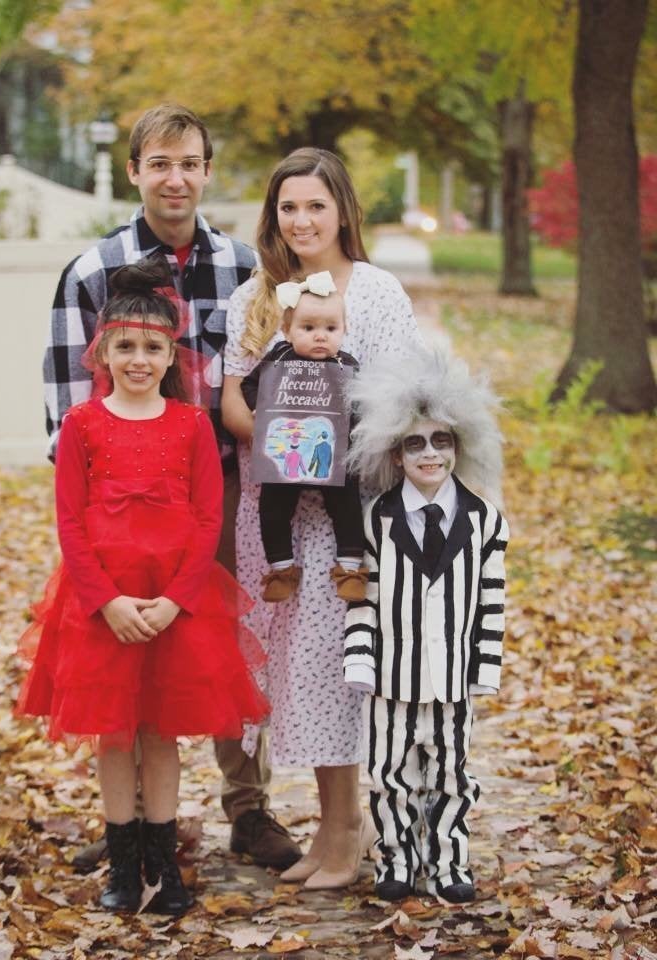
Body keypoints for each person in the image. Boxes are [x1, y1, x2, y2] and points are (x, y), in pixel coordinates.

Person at [44, 102, 300, 871]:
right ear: (135, 173)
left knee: (219, 647)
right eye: (160, 163)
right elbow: (65, 408)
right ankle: (137, 828)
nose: (176, 178)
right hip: (121, 503)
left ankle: (248, 809)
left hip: (220, 487)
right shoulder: (92, 273)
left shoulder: (245, 271)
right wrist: (90, 515)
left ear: (207, 171)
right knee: (123, 650)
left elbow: (276, 375)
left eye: (189, 163)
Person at [17, 260, 269, 916]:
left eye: (152, 347)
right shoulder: (82, 425)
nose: (138, 358)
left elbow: (209, 518)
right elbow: (70, 520)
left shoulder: (190, 427)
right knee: (113, 736)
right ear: (101, 351)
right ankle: (123, 865)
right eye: (124, 346)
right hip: (103, 608)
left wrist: (175, 599)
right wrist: (107, 599)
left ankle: (166, 865)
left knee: (160, 734)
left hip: (174, 608)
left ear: (170, 355)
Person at [222, 147, 423, 889]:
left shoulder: (376, 292)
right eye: (287, 207)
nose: (301, 220)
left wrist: (341, 443)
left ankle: (348, 833)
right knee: (299, 675)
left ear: (342, 210)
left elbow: (408, 398)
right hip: (276, 516)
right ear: (272, 215)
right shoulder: (256, 298)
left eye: (315, 205)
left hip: (351, 515)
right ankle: (327, 829)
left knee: (345, 670)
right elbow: (233, 398)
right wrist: (280, 438)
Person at [343, 344, 509, 904]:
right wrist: (360, 660)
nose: (430, 453)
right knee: (390, 775)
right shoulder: (378, 519)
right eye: (415, 443)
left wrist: (485, 667)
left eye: (441, 440)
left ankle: (448, 861)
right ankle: (396, 859)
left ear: (461, 445)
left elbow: (491, 597)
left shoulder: (484, 520)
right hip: (392, 678)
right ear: (396, 453)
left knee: (452, 777)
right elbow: (363, 597)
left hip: (454, 679)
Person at [239, 274, 367, 603]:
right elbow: (248, 386)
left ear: (344, 329)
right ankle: (281, 568)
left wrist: (354, 423)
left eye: (330, 328)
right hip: (287, 453)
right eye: (308, 328)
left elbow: (365, 403)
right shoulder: (279, 359)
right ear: (287, 330)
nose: (320, 337)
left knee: (349, 502)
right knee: (272, 503)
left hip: (332, 453)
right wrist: (261, 408)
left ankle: (350, 567)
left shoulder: (347, 365)